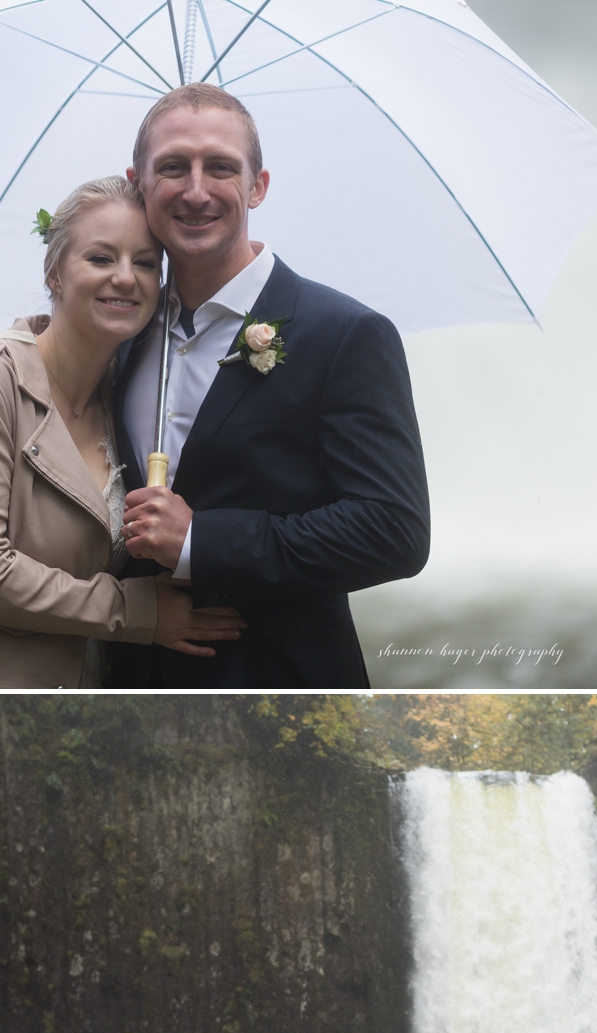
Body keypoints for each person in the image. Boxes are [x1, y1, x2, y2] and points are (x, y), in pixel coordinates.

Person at [99, 84, 432, 689]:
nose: (196, 190)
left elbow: (395, 531)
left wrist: (200, 542)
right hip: (124, 681)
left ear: (257, 185)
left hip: (280, 683)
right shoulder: (118, 333)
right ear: (138, 182)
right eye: (173, 167)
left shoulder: (346, 334)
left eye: (220, 168)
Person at [0, 176, 245, 687]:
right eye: (101, 259)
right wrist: (139, 612)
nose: (125, 278)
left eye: (145, 263)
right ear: (54, 272)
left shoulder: (130, 391)